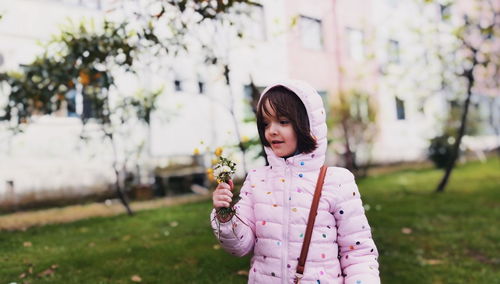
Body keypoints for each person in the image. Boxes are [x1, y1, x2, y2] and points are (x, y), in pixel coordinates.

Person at [210, 80, 380, 284]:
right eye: (266, 123)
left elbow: (358, 254)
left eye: (283, 121)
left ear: (307, 124)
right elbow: (239, 247)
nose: (271, 130)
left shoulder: (337, 182)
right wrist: (224, 214)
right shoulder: (257, 180)